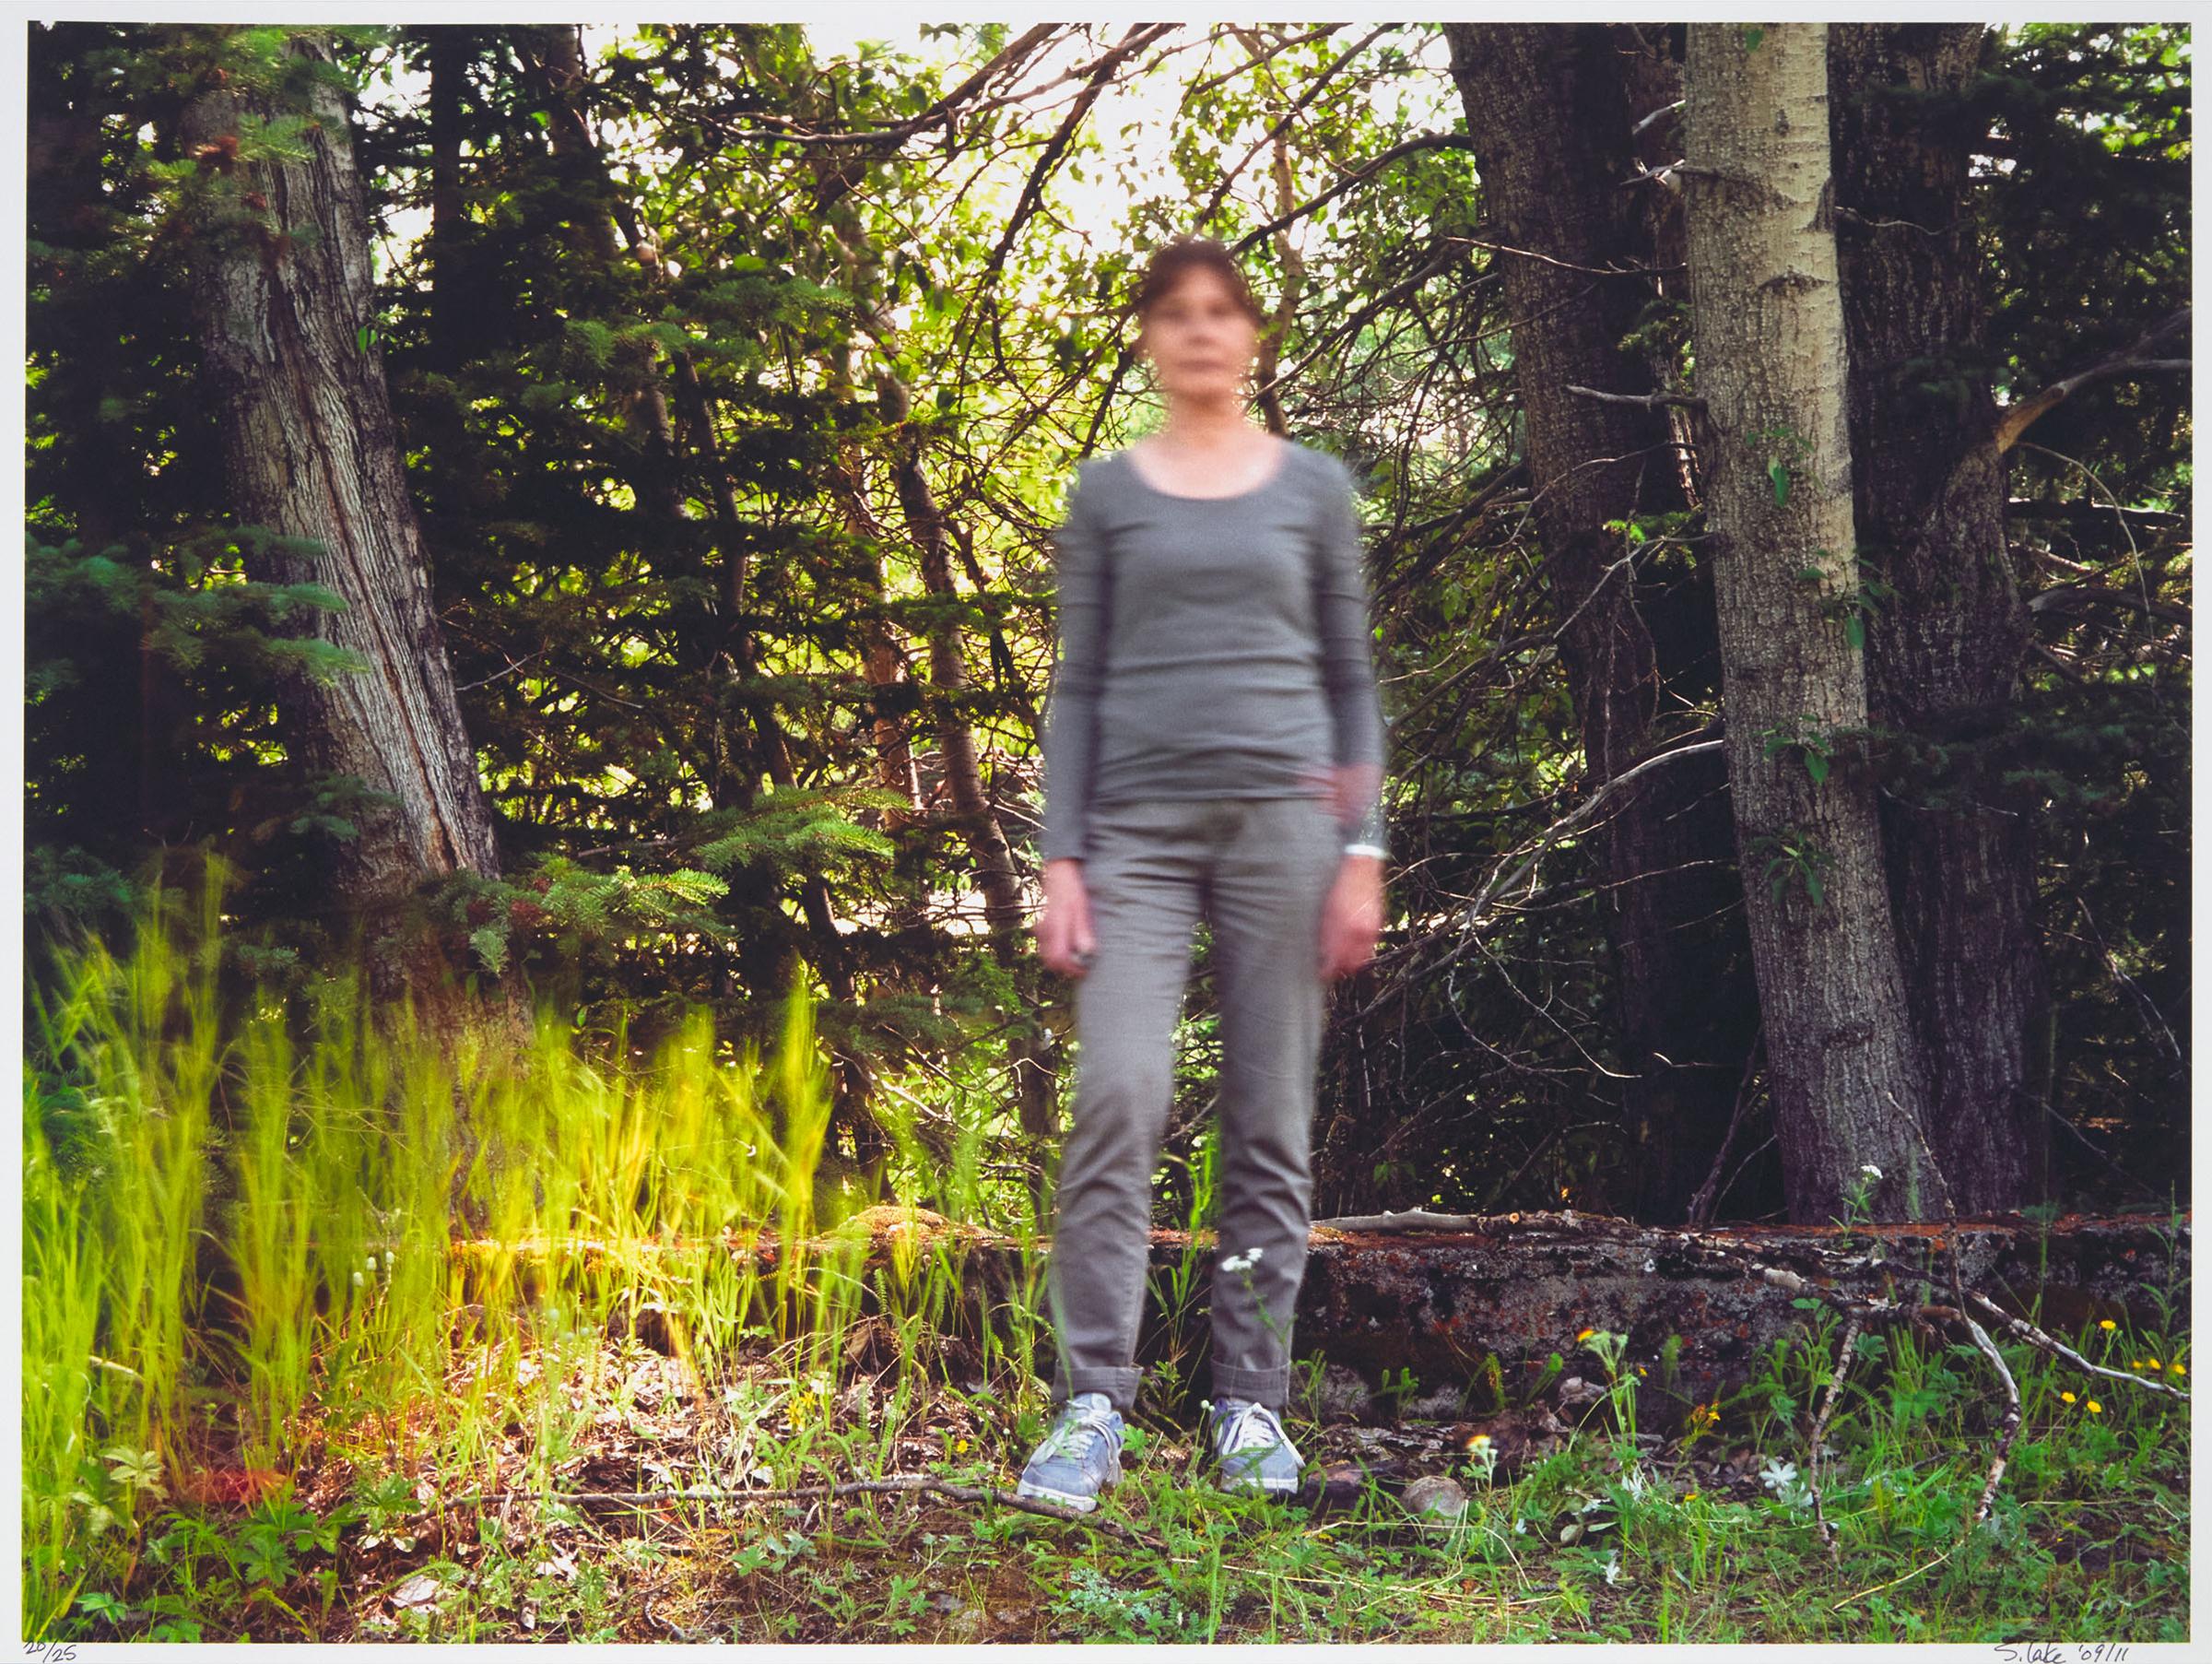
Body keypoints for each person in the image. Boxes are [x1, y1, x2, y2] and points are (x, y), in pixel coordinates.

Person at [1016, 236, 1389, 1511]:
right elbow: (1076, 684)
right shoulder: (1106, 494)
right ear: (1146, 338)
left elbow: (1351, 679)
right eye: (1173, 312)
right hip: (1135, 834)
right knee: (1118, 1094)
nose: (1199, 331)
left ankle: (1248, 1405)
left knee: (1269, 1115)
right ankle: (1090, 1406)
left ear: (1254, 337)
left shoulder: (1315, 490)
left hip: (1286, 832)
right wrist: (1060, 855)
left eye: (1222, 311)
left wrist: (1363, 851)